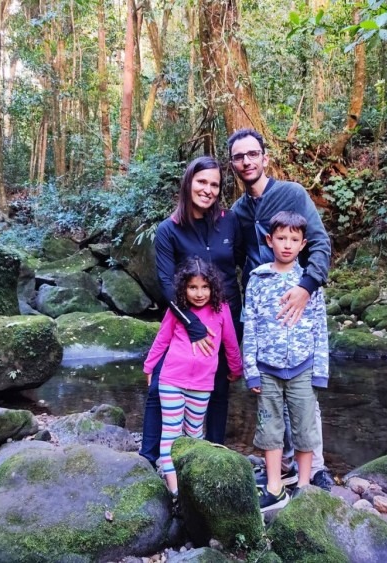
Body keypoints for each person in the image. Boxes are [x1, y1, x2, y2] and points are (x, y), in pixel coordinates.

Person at [228, 128, 335, 491]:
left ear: (264, 157)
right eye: (239, 157)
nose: (247, 161)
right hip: (262, 307)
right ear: (233, 165)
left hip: (299, 299)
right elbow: (238, 262)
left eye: (252, 154)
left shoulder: (291, 194)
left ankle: (315, 467)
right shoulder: (240, 212)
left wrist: (307, 287)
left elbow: (319, 242)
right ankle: (285, 466)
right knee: (271, 392)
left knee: (303, 387)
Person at [139, 156, 245, 468]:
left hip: (226, 319)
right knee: (159, 386)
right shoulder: (168, 230)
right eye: (202, 182)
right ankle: (148, 459)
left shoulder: (229, 221)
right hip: (183, 323)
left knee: (219, 389)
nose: (208, 190)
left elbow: (241, 262)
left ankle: (209, 459)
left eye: (214, 184)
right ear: (188, 183)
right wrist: (193, 325)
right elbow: (165, 283)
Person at [243, 211, 329, 511]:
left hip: (303, 367)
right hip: (267, 368)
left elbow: (320, 327)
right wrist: (251, 371)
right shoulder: (258, 279)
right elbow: (250, 326)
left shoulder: (309, 283)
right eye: (281, 238)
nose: (287, 245)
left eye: (294, 239)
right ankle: (274, 486)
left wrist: (320, 371)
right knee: (270, 427)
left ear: (304, 243)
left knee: (305, 427)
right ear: (269, 240)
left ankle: (304, 486)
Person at [144, 258, 243, 495]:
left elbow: (230, 343)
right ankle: (175, 488)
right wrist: (149, 367)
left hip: (202, 384)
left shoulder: (221, 310)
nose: (199, 293)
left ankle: (189, 478)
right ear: (183, 288)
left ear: (213, 288)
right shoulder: (178, 310)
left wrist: (235, 369)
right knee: (171, 432)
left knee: (195, 434)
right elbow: (162, 339)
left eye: (205, 287)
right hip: (171, 380)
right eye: (192, 287)